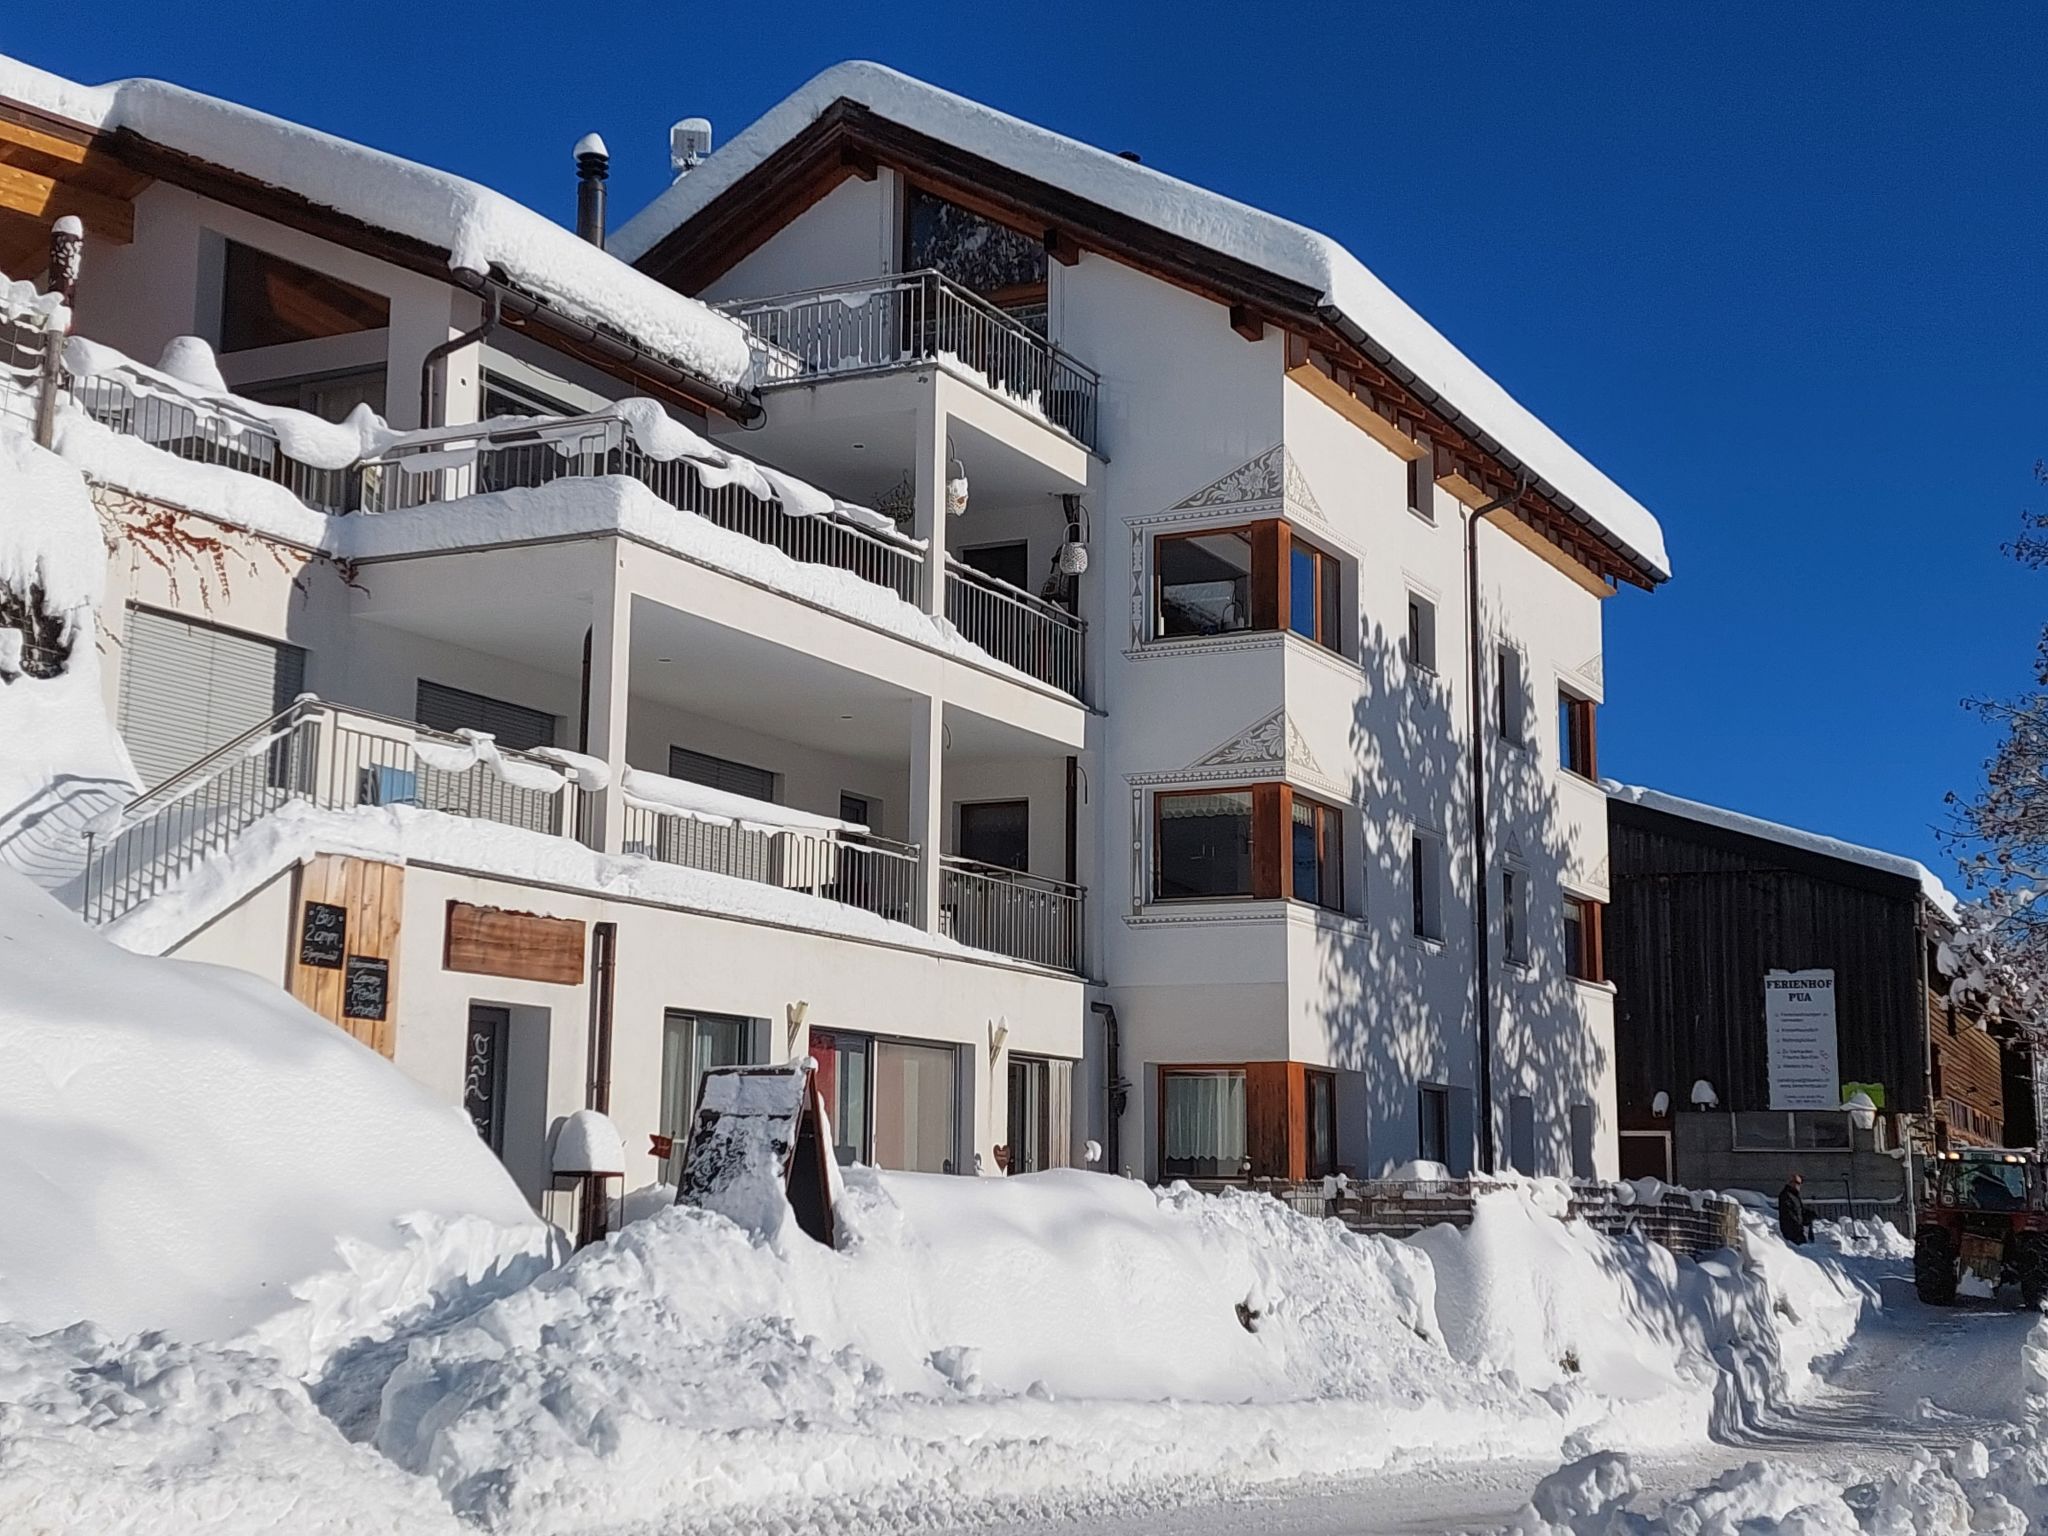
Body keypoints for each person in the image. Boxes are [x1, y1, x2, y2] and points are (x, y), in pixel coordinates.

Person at [1778, 1172, 1815, 1245]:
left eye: (1800, 1183)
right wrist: (1798, 1224)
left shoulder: (1795, 1196)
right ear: (1790, 1182)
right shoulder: (1786, 1195)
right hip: (1791, 1232)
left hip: (1798, 1231)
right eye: (1797, 1183)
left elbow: (1800, 1210)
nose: (1798, 1186)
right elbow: (1788, 1213)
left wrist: (1809, 1214)